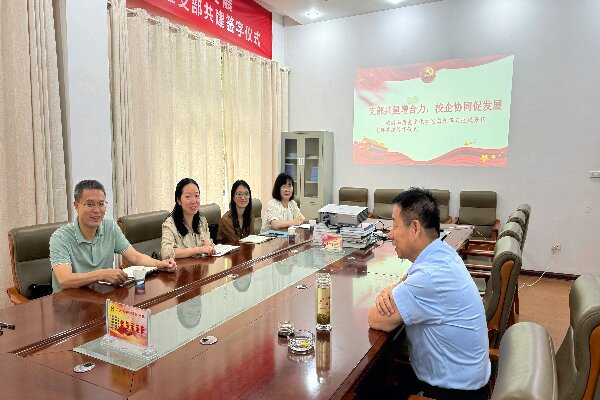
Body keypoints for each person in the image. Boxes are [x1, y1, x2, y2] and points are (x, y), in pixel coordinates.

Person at [368, 188, 490, 400]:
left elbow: (376, 319)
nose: (390, 234)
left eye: (395, 225)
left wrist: (391, 292)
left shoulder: (429, 277)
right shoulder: (443, 253)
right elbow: (408, 277)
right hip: (464, 380)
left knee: (368, 387)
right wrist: (396, 288)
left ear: (415, 228)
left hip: (451, 393)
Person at [50, 180, 177, 293]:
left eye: (101, 204)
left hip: (100, 297)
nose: (97, 210)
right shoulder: (60, 238)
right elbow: (64, 280)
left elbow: (135, 257)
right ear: (76, 206)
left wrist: (161, 264)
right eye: (90, 204)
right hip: (69, 303)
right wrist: (101, 274)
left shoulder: (110, 227)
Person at [161, 178, 215, 259]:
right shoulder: (170, 225)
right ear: (178, 200)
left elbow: (207, 242)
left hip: (200, 265)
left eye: (196, 196)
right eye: (188, 196)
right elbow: (166, 253)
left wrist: (209, 245)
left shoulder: (202, 220)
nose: (194, 201)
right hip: (181, 267)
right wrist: (197, 250)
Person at [216, 180, 255, 244]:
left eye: (246, 194)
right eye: (239, 194)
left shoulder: (250, 215)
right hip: (230, 249)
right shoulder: (226, 219)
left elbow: (252, 239)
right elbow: (236, 242)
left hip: (245, 249)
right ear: (233, 197)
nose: (243, 197)